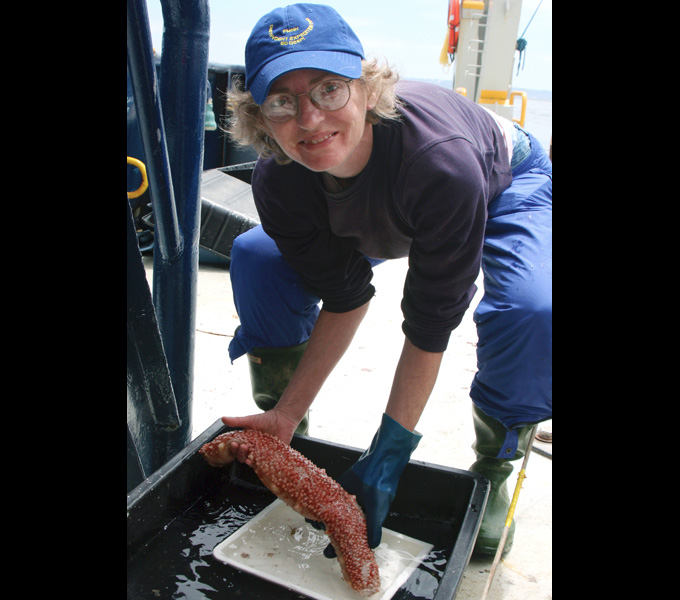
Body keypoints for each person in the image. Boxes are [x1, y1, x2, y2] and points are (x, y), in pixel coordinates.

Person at [221, 3, 552, 558]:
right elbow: (347, 296)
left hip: (498, 179)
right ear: (261, 119)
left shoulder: (443, 164)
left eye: (329, 89)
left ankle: (494, 470)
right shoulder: (279, 179)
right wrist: (289, 409)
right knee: (258, 256)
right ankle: (285, 432)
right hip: (380, 203)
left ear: (368, 89)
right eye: (282, 101)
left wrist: (391, 449)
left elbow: (430, 323)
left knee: (533, 310)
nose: (309, 119)